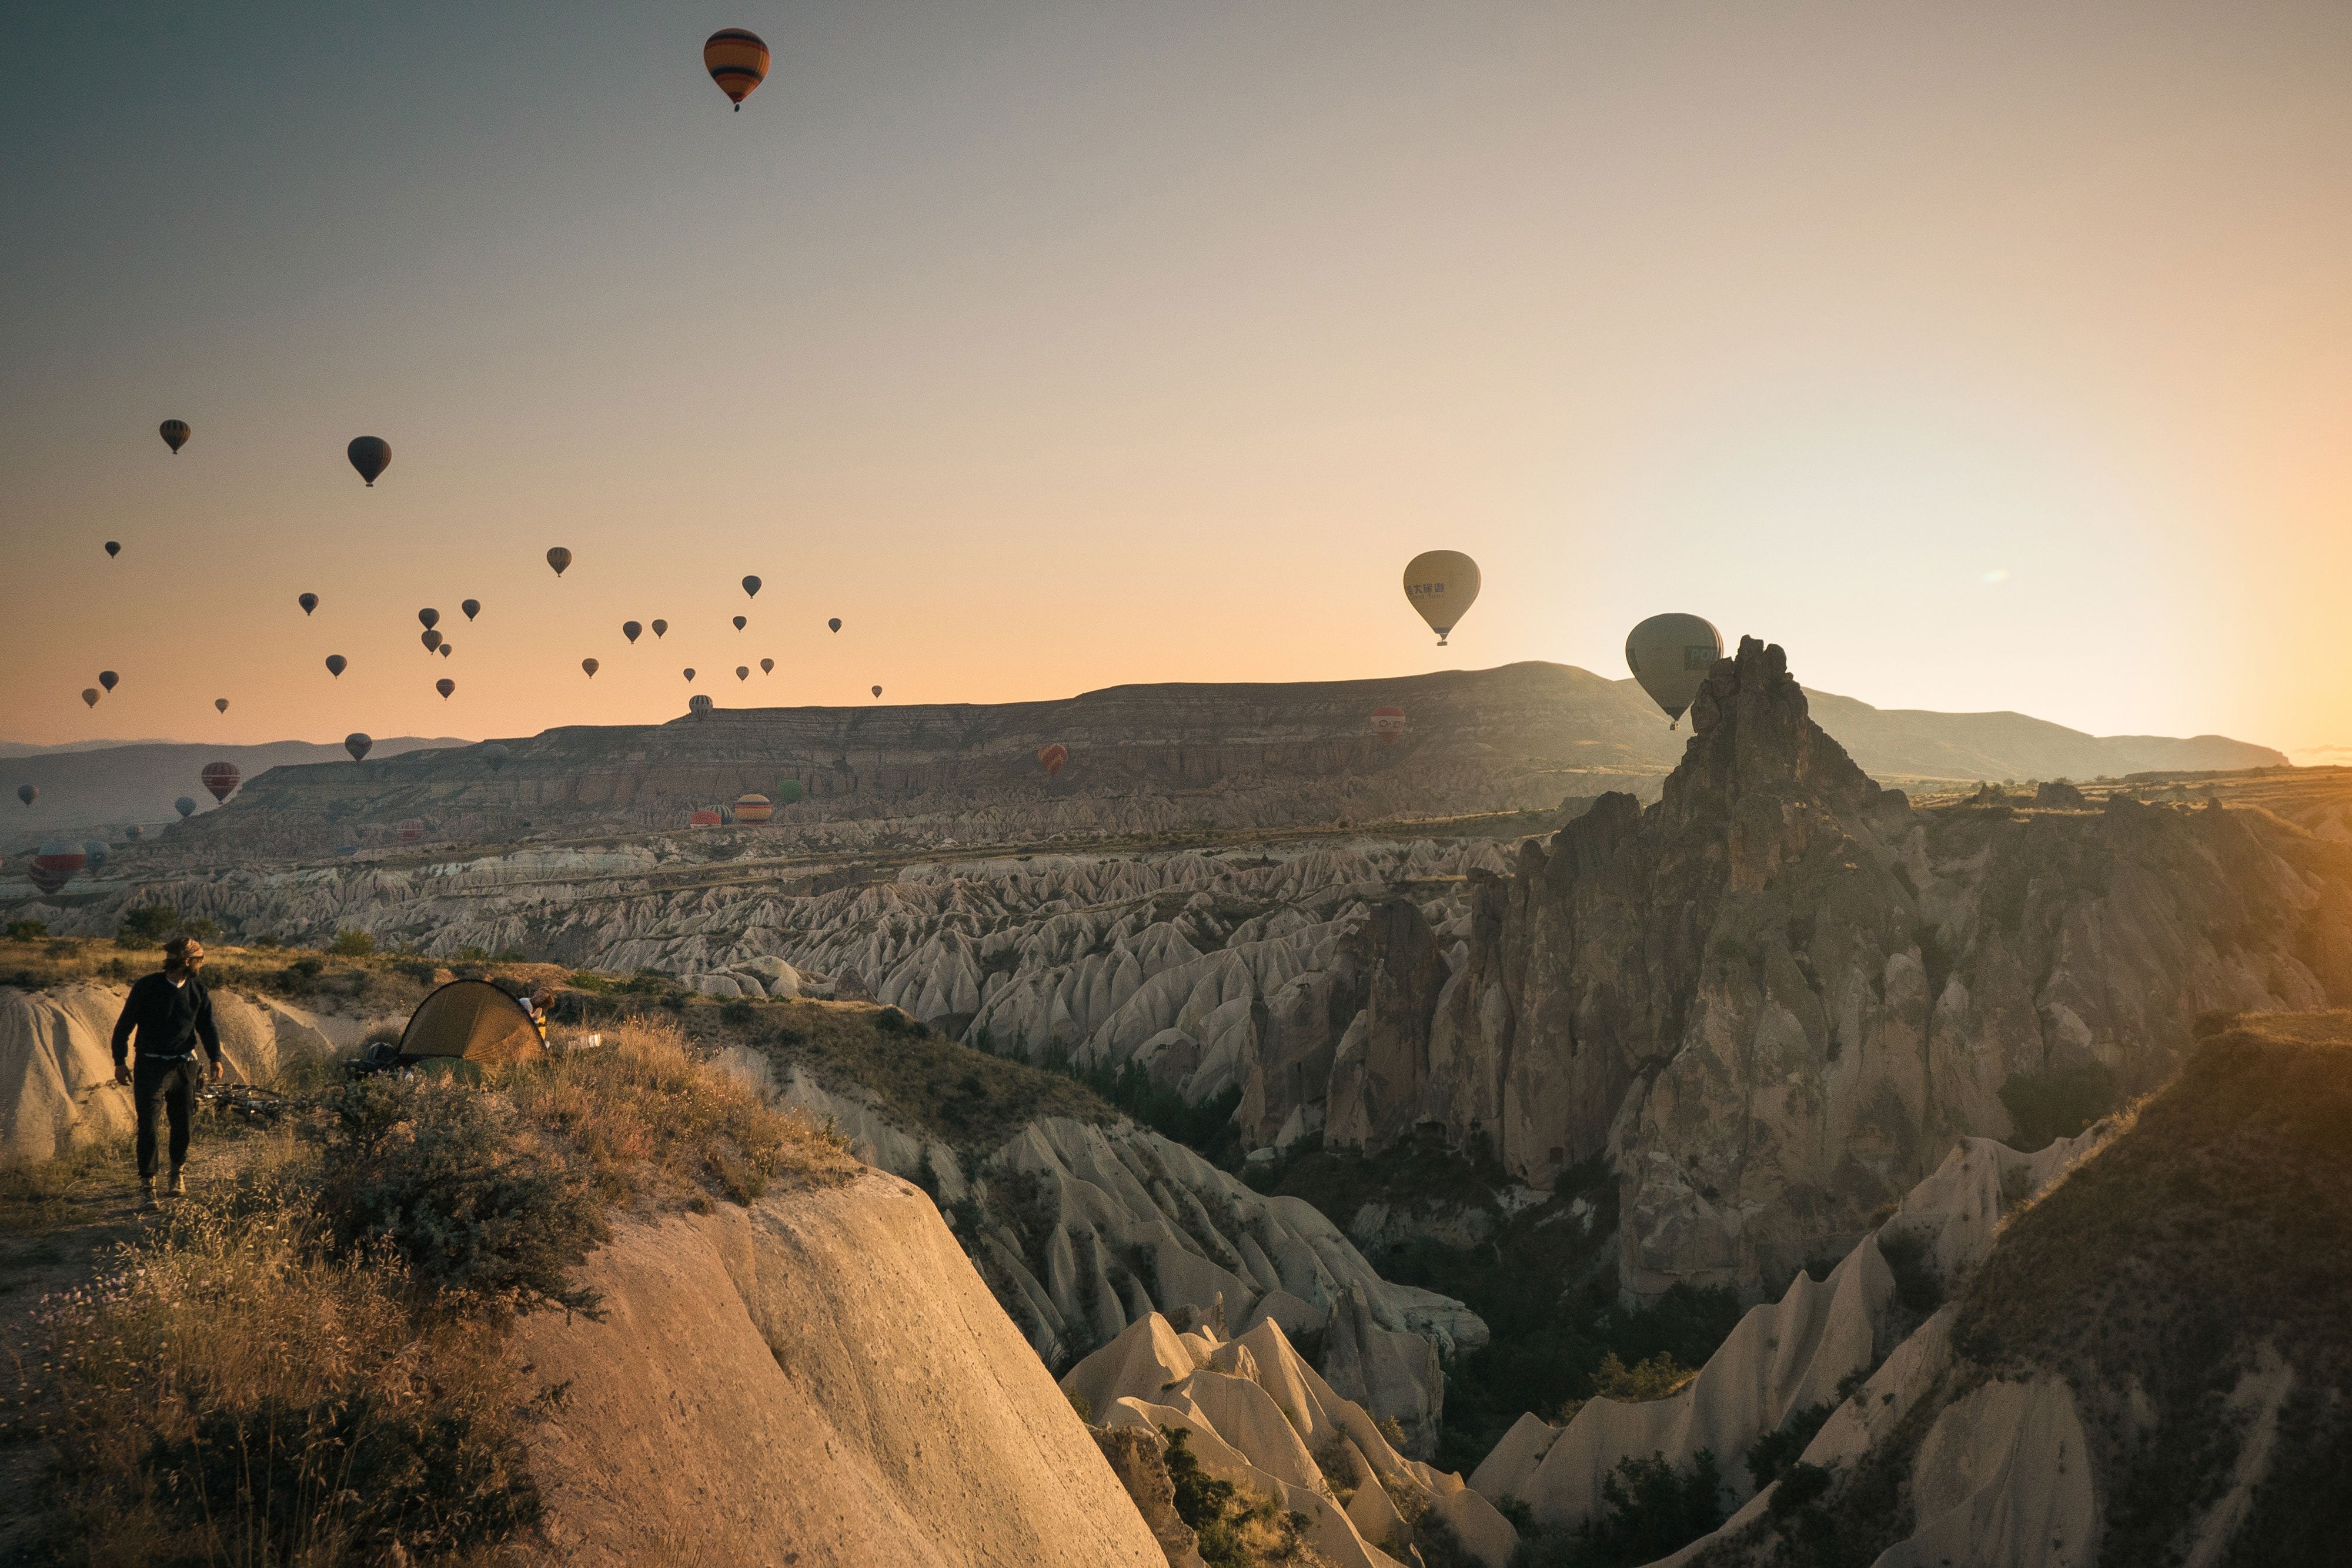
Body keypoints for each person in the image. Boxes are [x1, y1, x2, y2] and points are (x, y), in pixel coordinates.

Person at [110, 934, 225, 1204]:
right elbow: (124, 1026)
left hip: (185, 1065)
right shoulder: (147, 987)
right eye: (199, 959)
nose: (202, 963)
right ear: (186, 961)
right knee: (148, 1126)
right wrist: (120, 1061)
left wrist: (215, 1058)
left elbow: (207, 1026)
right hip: (150, 1065)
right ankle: (148, 1184)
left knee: (183, 1124)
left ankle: (177, 1174)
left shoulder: (198, 988)